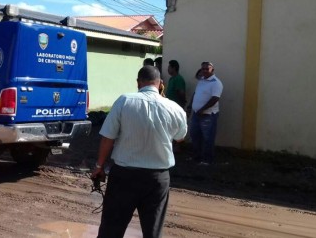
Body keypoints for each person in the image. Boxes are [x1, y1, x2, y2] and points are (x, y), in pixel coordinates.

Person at [91, 66, 187, 238]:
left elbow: (108, 138)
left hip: (124, 176)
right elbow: (180, 137)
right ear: (161, 84)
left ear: (138, 82)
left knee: (111, 228)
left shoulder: (124, 101)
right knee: (153, 231)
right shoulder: (174, 108)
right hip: (157, 178)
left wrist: (99, 166)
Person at [186, 61, 223, 165]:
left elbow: (215, 98)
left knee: (208, 138)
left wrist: (203, 109)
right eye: (203, 69)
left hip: (208, 115)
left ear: (212, 70)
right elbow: (195, 93)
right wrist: (190, 105)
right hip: (196, 114)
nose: (205, 71)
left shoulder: (216, 83)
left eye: (207, 69)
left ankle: (207, 160)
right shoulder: (201, 80)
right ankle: (197, 157)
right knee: (195, 135)